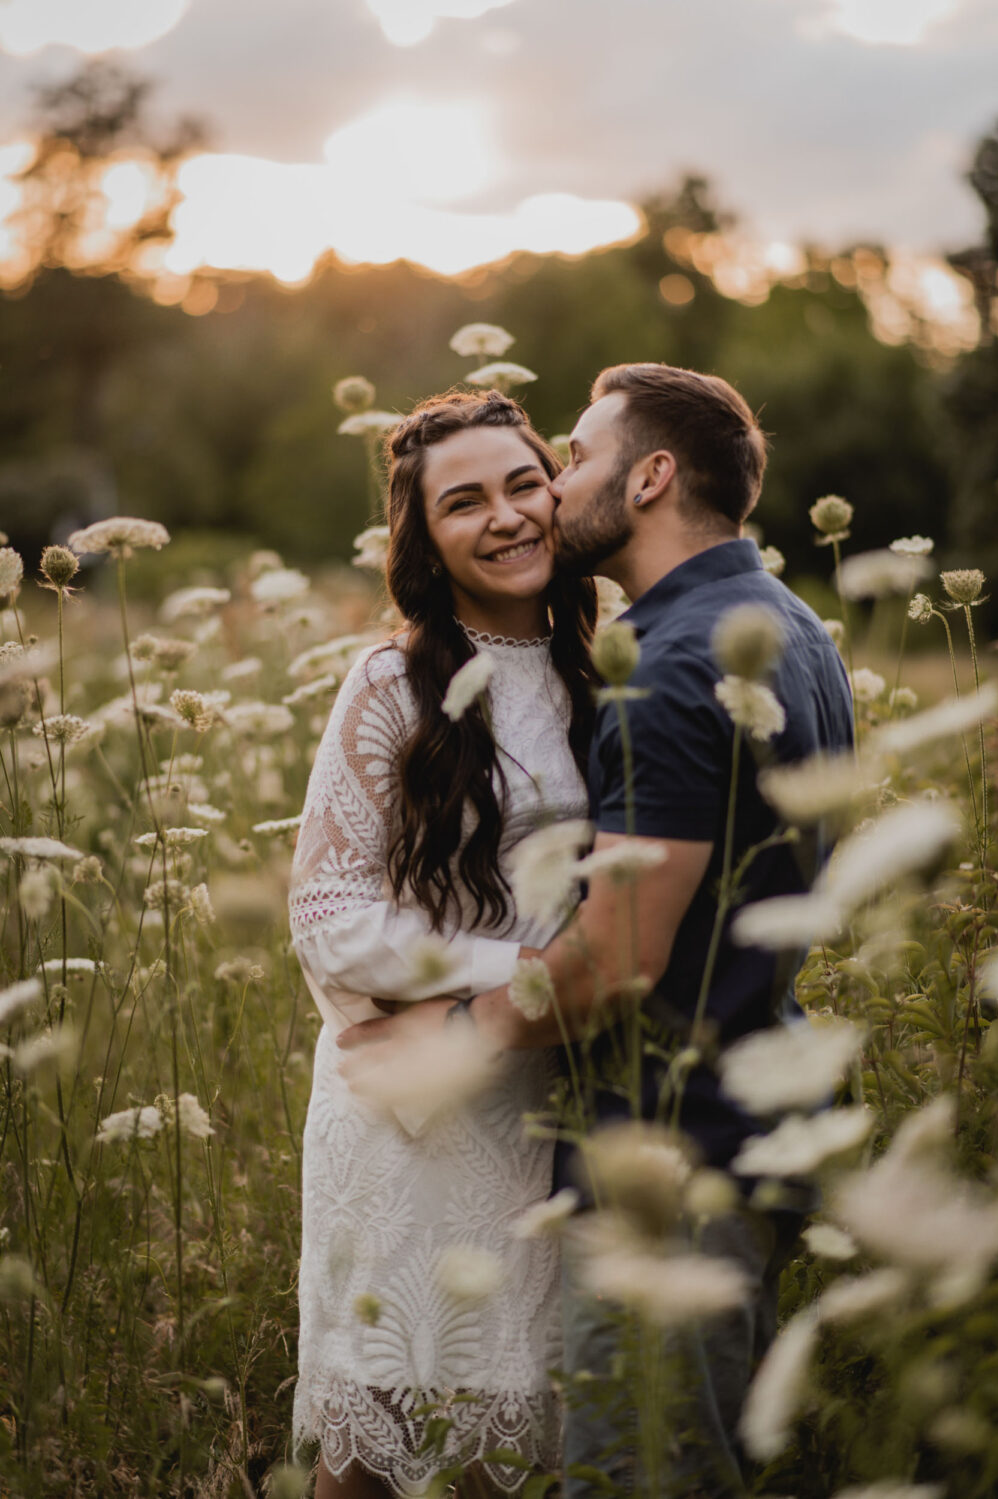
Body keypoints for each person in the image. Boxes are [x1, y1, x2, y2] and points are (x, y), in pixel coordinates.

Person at [339, 363, 855, 1496]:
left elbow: (615, 960)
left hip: (670, 1156)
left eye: (572, 458)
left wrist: (450, 1032)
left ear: (653, 474)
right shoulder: (785, 623)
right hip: (743, 1121)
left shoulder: (670, 667)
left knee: (638, 1470)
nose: (556, 488)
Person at [288, 389, 598, 1498]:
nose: (507, 515)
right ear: (426, 538)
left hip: (544, 1101)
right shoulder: (390, 682)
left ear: (558, 488)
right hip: (414, 1107)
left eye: (523, 483)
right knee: (378, 1445)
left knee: (506, 1449)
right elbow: (325, 912)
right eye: (464, 502)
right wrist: (512, 975)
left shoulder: (591, 673)